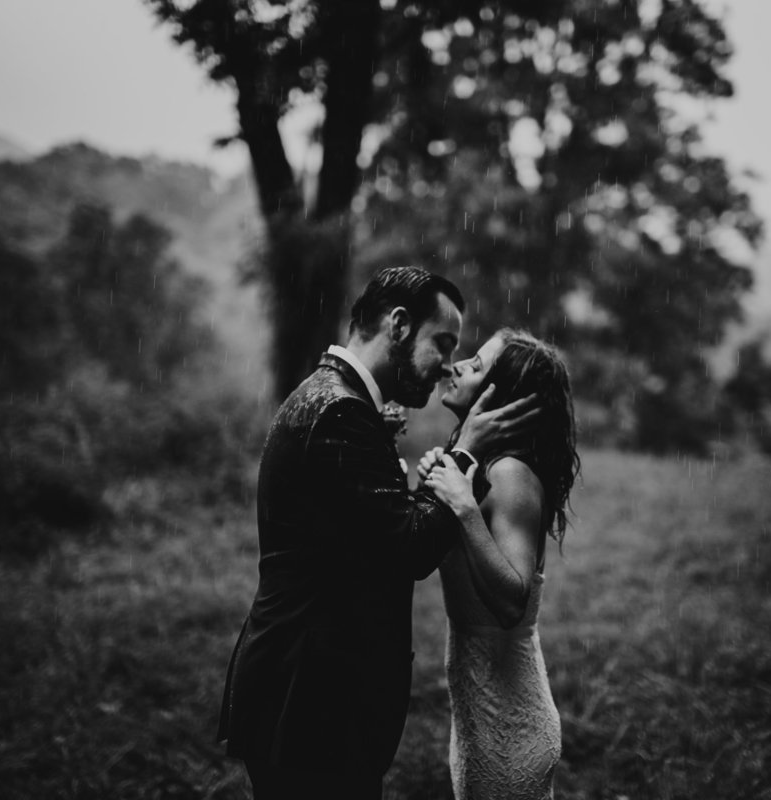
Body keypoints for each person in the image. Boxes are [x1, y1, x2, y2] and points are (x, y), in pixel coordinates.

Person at [217, 267, 538, 799]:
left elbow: (371, 538)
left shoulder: (333, 398)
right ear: (399, 325)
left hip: (311, 696)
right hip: (310, 702)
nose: (445, 367)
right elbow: (407, 550)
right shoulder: (341, 412)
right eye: (443, 343)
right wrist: (467, 451)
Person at [419, 329, 580, 800]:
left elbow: (512, 602)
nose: (459, 365)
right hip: (480, 714)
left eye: (478, 363)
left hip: (510, 726)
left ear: (501, 396)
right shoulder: (480, 467)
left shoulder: (510, 475)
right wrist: (441, 483)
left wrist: (464, 507)